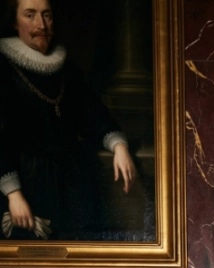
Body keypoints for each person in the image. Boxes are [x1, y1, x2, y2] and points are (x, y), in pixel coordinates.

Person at [0, 0, 137, 240]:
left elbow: (93, 114)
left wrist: (119, 147)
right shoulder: (3, 71)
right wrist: (14, 194)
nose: (41, 25)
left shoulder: (68, 71)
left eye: (47, 15)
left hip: (73, 182)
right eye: (30, 15)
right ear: (14, 22)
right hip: (27, 185)